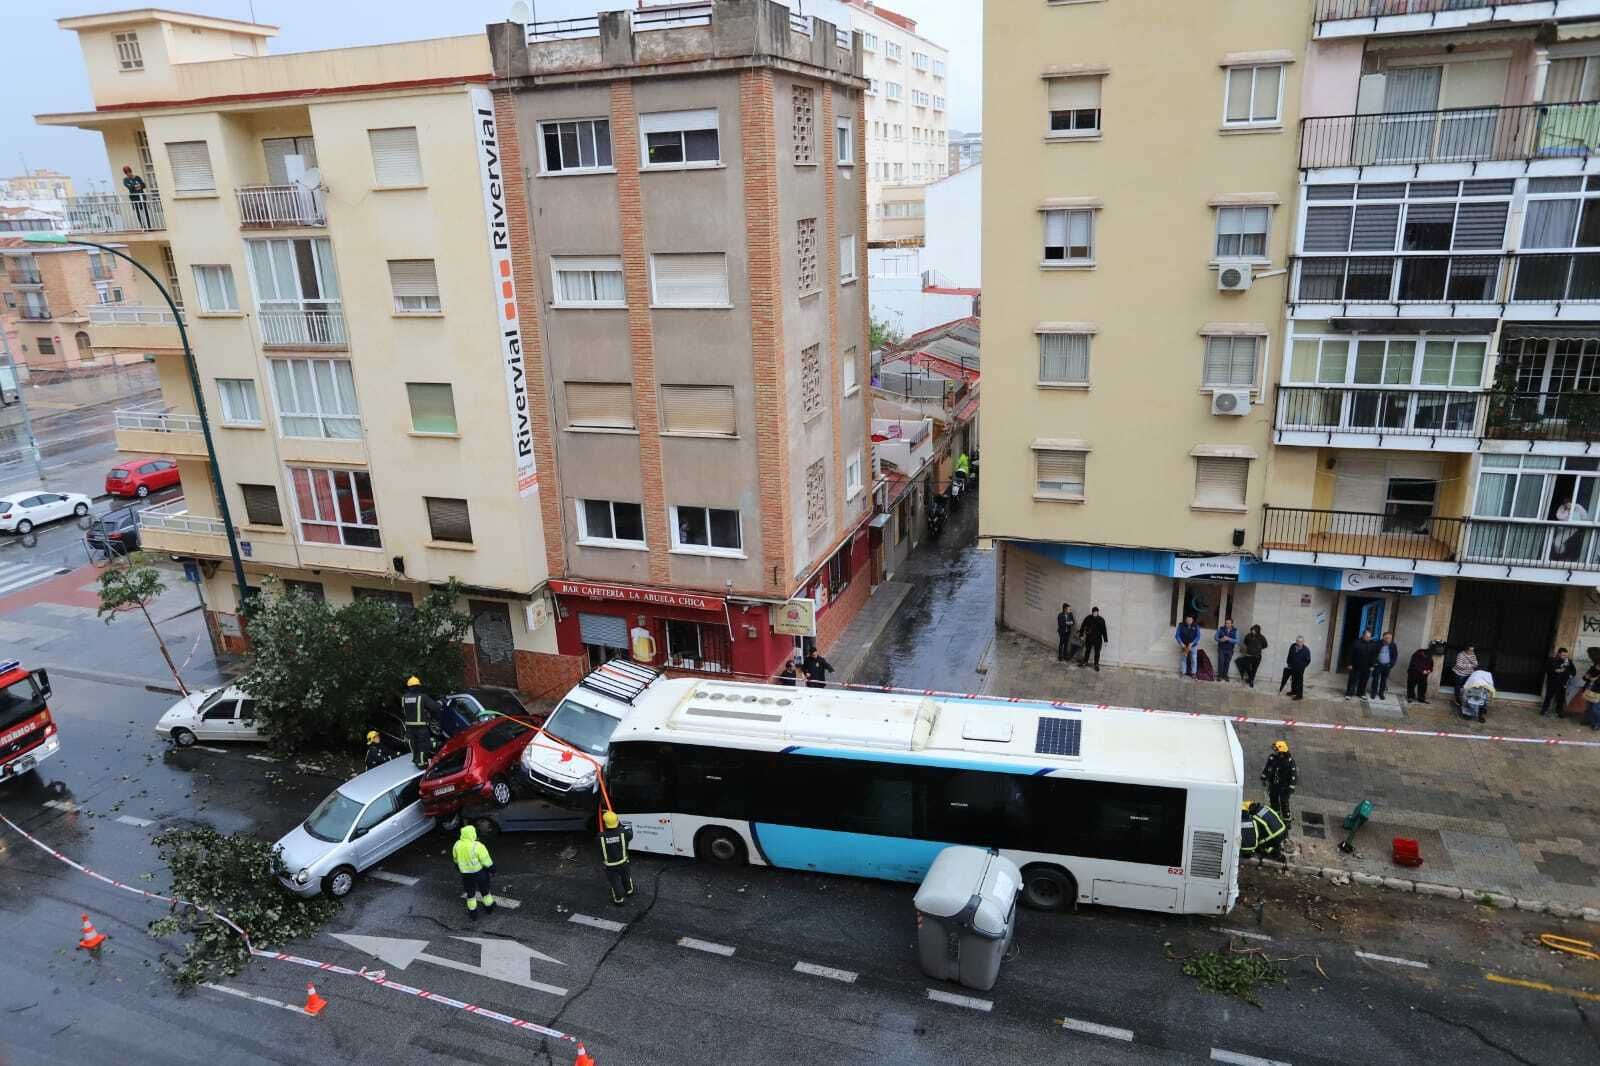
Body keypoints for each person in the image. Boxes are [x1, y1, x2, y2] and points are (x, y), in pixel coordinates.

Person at [451, 824, 495, 920]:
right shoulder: (477, 845)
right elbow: (485, 859)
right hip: (479, 873)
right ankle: (489, 907)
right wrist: (491, 868)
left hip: (466, 875)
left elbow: (455, 858)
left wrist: (458, 866)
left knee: (470, 893)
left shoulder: (457, 845)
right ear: (473, 834)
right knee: (485, 891)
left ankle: (473, 913)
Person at [400, 676, 440, 768]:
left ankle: (416, 760)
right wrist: (439, 704)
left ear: (409, 687)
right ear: (418, 686)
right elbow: (435, 707)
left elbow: (404, 711)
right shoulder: (422, 697)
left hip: (409, 727)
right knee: (423, 744)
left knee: (414, 744)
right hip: (421, 727)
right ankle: (422, 763)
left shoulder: (404, 698)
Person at [599, 809, 634, 905]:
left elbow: (600, 850)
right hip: (623, 862)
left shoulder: (600, 837)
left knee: (615, 883)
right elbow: (630, 836)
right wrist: (625, 827)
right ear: (617, 821)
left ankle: (619, 900)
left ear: (605, 823)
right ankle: (629, 891)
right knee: (626, 877)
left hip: (610, 866)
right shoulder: (623, 832)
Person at [1261, 740, 1297, 824]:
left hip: (1284, 786)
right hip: (1274, 784)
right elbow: (1267, 768)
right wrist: (1264, 777)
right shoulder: (1272, 758)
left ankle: (1286, 821)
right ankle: (1275, 816)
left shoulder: (1289, 762)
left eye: (1277, 750)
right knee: (1273, 800)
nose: (1275, 752)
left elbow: (1293, 776)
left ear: (1282, 752)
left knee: (1284, 802)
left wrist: (1291, 788)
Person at [1542, 648, 1577, 718]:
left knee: (1561, 699)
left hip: (1563, 684)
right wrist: (1555, 671)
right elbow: (1547, 670)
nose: (1565, 657)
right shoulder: (1551, 660)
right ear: (1558, 654)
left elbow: (1573, 671)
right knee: (1548, 697)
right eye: (1563, 655)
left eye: (1566, 655)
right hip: (1553, 682)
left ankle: (1559, 712)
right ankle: (1544, 710)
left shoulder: (1568, 661)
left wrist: (1569, 676)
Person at [1554, 498, 1589, 562]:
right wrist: (1567, 511)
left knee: (1568, 543)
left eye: (1570, 503)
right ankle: (1561, 556)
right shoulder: (1563, 508)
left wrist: (1580, 523)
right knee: (1557, 543)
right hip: (1563, 528)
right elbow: (1559, 516)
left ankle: (1566, 557)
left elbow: (1585, 517)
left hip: (1575, 528)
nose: (1568, 505)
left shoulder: (1578, 507)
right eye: (1566, 504)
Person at [1345, 630, 1377, 700]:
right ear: (1363, 635)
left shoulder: (1373, 644)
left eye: (1369, 637)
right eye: (1366, 636)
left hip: (1367, 667)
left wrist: (1373, 665)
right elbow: (1350, 653)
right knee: (1352, 680)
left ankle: (1361, 693)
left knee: (1364, 681)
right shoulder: (1356, 642)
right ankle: (1349, 693)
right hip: (1355, 666)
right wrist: (1349, 664)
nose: (1368, 638)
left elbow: (1374, 656)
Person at [1369, 632, 1397, 700]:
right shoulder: (1377, 644)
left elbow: (1395, 655)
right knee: (1375, 679)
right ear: (1384, 638)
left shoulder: (1393, 645)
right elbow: (1372, 654)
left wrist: (1391, 664)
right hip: (1378, 665)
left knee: (1383, 680)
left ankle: (1381, 693)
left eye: (1390, 638)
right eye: (1387, 638)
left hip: (1387, 665)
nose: (1389, 640)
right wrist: (1374, 663)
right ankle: (1374, 692)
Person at [1214, 618, 1239, 682]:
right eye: (1226, 623)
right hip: (1221, 649)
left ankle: (1225, 675)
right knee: (1221, 662)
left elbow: (1237, 641)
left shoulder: (1236, 630)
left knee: (1227, 663)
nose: (1226, 624)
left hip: (1230, 650)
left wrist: (1228, 639)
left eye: (1228, 623)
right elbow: (1216, 637)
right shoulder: (1221, 629)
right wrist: (1220, 639)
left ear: (1232, 624)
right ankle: (1220, 676)